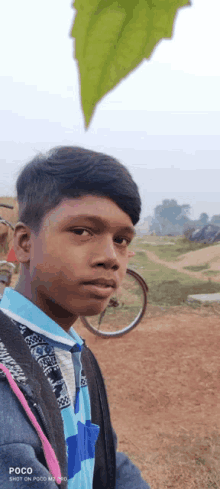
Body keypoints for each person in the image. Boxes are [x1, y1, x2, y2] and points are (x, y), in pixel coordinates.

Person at [0, 146, 150, 489]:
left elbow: (97, 456)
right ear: (24, 243)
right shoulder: (6, 383)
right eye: (82, 231)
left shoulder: (75, 353)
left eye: (122, 239)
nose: (110, 258)